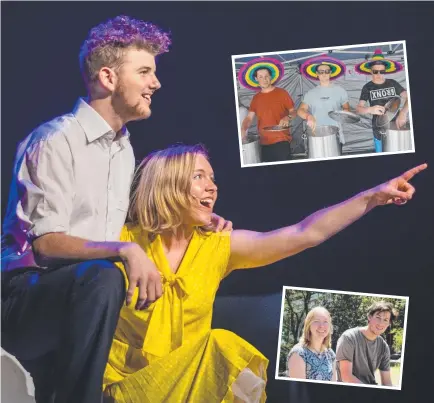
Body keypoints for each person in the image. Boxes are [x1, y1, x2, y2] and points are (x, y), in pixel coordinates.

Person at [1, 16, 230, 403]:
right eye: (144, 72)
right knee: (106, 276)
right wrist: (125, 250)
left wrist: (199, 220)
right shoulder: (56, 140)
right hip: (23, 299)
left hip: (84, 297)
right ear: (108, 78)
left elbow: (135, 224)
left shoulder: (123, 150)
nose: (155, 83)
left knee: (108, 280)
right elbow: (45, 245)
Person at [102, 143, 425, 402]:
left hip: (188, 388)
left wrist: (372, 197)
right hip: (121, 388)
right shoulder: (120, 238)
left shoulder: (218, 246)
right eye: (199, 176)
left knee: (226, 350)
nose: (212, 187)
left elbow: (304, 233)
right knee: (223, 345)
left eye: (213, 178)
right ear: (167, 181)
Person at [239, 57, 297, 162]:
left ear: (271, 76)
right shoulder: (256, 98)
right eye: (260, 77)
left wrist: (287, 117)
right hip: (264, 143)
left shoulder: (282, 93)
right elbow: (249, 118)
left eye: (266, 76)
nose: (264, 79)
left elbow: (293, 112)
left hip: (281, 141)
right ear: (256, 79)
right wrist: (243, 129)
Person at [355, 49, 408, 153]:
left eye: (382, 71)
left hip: (396, 127)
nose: (379, 74)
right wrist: (370, 109)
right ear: (370, 71)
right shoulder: (367, 87)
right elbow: (358, 109)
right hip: (379, 130)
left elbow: (409, 97)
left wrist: (403, 112)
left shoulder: (393, 83)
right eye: (375, 71)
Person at [336, 301, 398, 386]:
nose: (381, 323)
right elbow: (346, 377)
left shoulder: (383, 347)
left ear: (389, 324)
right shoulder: (349, 338)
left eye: (385, 320)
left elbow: (387, 382)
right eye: (378, 317)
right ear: (369, 317)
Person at [298, 57, 350, 135]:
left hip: (336, 133)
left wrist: (345, 113)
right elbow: (300, 110)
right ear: (317, 74)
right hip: (316, 134)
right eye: (321, 72)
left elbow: (346, 108)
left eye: (327, 71)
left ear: (330, 73)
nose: (324, 74)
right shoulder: (310, 93)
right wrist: (308, 116)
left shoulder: (340, 91)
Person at [287, 307, 336, 381]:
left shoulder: (330, 354)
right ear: (308, 325)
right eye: (316, 321)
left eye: (325, 321)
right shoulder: (298, 353)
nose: (321, 326)